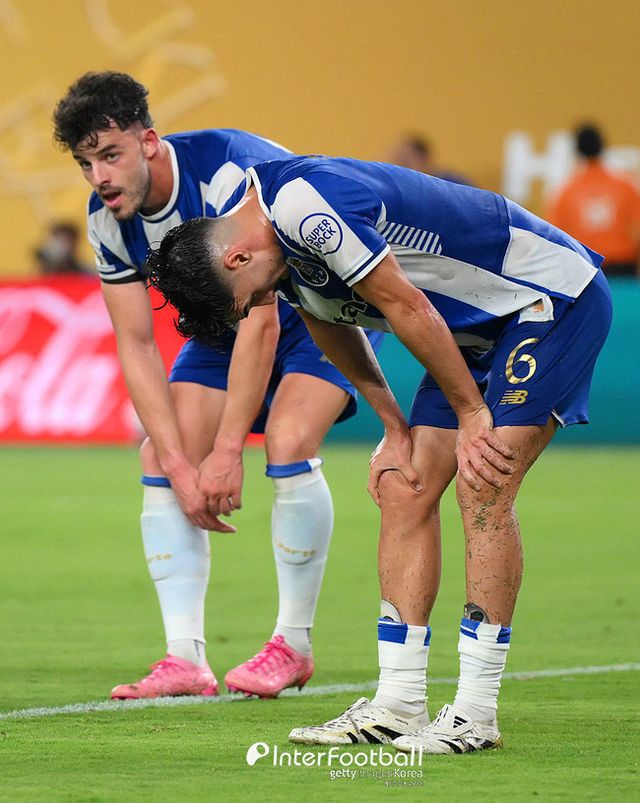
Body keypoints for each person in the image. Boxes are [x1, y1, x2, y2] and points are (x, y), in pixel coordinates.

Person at [147, 154, 612, 754]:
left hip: (547, 299)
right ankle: (399, 703)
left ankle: (475, 713)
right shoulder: (269, 248)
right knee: (404, 482)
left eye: (250, 296)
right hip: (472, 327)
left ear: (236, 258)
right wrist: (394, 425)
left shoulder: (303, 209)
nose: (260, 300)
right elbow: (328, 323)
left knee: (485, 480)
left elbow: (406, 306)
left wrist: (473, 414)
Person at [52, 72, 383, 700]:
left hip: (321, 307)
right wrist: (181, 464)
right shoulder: (107, 221)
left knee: (287, 439)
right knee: (160, 456)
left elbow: (263, 318)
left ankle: (293, 644)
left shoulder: (227, 175)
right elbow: (135, 343)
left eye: (111, 155)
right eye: (86, 163)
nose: (99, 177)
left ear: (149, 141)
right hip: (224, 322)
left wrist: (228, 450)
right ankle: (184, 660)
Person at [546, 123, 640, 277]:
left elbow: (555, 239)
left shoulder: (567, 191)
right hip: (623, 269)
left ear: (577, 150)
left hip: (585, 271)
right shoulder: (625, 185)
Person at [387, 133, 474, 186]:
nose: (400, 166)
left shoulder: (453, 183)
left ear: (423, 159)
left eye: (404, 161)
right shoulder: (402, 187)